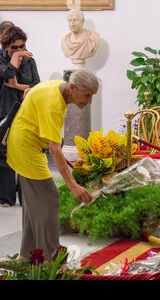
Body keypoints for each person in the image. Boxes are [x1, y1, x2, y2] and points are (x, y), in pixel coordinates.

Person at [6, 69, 98, 260]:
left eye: (92, 96)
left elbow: (30, 93)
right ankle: (52, 258)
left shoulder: (56, 87)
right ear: (72, 88)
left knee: (34, 203)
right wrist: (73, 186)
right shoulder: (54, 104)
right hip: (26, 147)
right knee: (49, 197)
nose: (89, 101)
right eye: (87, 94)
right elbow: (55, 150)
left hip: (24, 142)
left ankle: (28, 255)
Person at [0, 26, 40, 207]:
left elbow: (36, 86)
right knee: (4, 153)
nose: (19, 51)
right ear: (5, 47)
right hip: (4, 110)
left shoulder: (30, 61)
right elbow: (7, 74)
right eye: (14, 48)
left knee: (24, 150)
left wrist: (17, 86)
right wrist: (15, 59)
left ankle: (27, 197)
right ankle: (6, 198)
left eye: (22, 46)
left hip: (24, 110)